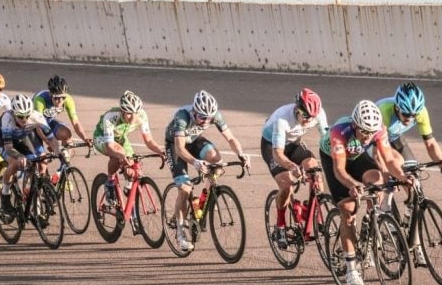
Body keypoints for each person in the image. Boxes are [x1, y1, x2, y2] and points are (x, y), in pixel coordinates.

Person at [319, 99, 412, 285]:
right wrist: (353, 185)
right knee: (348, 210)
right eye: (364, 132)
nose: (368, 137)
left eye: (372, 133)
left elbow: (388, 160)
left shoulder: (378, 130)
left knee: (377, 180)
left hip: (356, 156)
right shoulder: (339, 132)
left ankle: (368, 231)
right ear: (355, 125)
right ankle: (351, 270)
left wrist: (402, 176)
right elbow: (339, 171)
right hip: (334, 159)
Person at [375, 81, 442, 265]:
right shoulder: (383, 112)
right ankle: (384, 209)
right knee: (387, 174)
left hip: (395, 139)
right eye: (406, 114)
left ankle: (415, 242)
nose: (410, 119)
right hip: (376, 142)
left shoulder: (421, 112)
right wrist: (388, 175)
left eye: (414, 115)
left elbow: (431, 143)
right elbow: (379, 154)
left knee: (414, 182)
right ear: (396, 107)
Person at [164, 90, 251, 251]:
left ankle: (203, 200)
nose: (206, 122)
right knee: (184, 188)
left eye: (209, 119)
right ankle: (180, 233)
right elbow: (180, 148)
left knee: (217, 162)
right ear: (194, 111)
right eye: (202, 118)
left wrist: (241, 153)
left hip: (194, 140)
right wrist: (195, 162)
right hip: (176, 145)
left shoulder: (214, 115)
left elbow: (230, 138)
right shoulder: (182, 116)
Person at [261, 87, 329, 249]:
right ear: (297, 109)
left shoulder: (318, 114)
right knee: (286, 186)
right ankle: (280, 225)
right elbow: (277, 154)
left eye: (312, 117)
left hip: (294, 143)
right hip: (273, 146)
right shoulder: (282, 120)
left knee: (316, 173)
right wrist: (292, 167)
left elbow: (327, 139)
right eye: (305, 115)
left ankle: (313, 212)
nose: (308, 120)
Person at [0, 94, 60, 212]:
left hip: (22, 137)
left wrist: (58, 152)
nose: (24, 119)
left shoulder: (36, 116)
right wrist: (20, 156)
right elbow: (8, 148)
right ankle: (5, 196)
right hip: (2, 140)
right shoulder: (7, 119)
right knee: (14, 164)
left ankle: (33, 190)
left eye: (27, 115)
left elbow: (52, 139)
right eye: (20, 116)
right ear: (14, 113)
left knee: (38, 159)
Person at [92, 90, 164, 202]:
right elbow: (110, 145)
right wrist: (120, 156)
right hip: (102, 138)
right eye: (129, 113)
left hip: (120, 138)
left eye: (136, 113)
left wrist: (160, 151)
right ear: (122, 111)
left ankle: (129, 189)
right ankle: (109, 182)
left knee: (132, 169)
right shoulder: (111, 117)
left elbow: (149, 140)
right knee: (118, 155)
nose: (133, 118)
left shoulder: (142, 116)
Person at [33, 75, 93, 148]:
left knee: (66, 135)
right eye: (56, 98)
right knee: (42, 158)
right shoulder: (40, 100)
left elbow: (76, 123)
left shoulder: (68, 100)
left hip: (48, 121)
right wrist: (48, 141)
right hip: (32, 126)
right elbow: (38, 126)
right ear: (50, 95)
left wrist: (85, 138)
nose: (60, 101)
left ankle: (66, 157)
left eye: (63, 97)